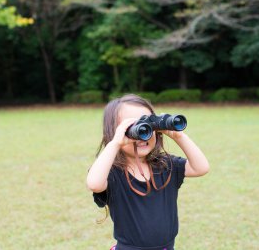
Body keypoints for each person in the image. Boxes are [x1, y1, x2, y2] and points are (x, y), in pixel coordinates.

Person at [86, 94, 210, 250]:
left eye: (148, 125)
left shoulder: (164, 165)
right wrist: (116, 142)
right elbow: (94, 184)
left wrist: (178, 135)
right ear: (116, 132)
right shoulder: (113, 173)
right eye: (134, 127)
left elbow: (201, 167)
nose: (143, 132)